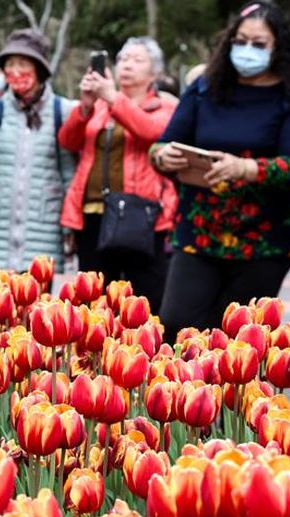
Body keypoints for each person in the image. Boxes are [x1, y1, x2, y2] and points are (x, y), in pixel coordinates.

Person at [152, 2, 290, 337]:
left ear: (278, 49)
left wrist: (245, 168)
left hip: (264, 241)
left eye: (258, 44)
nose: (247, 50)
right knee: (176, 325)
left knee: (238, 341)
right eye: (240, 41)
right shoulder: (204, 89)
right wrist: (163, 156)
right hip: (199, 234)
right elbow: (161, 145)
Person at [59, 37, 177, 311]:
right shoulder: (99, 107)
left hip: (142, 215)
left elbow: (152, 132)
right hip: (93, 213)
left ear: (154, 73)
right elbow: (68, 141)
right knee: (94, 300)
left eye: (137, 60)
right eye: (123, 59)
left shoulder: (165, 107)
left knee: (145, 298)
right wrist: (86, 106)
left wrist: (113, 98)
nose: (127, 65)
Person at [0, 29, 78, 271]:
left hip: (42, 230)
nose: (15, 71)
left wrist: (69, 227)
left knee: (38, 306)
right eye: (10, 65)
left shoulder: (62, 110)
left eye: (22, 64)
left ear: (39, 70)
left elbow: (69, 174)